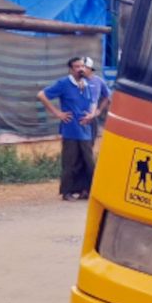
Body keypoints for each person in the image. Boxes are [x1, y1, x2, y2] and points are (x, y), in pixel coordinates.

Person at [37, 56, 102, 201]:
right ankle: (67, 192)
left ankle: (86, 190)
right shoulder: (64, 83)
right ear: (71, 69)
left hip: (86, 129)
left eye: (82, 66)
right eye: (77, 67)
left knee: (87, 161)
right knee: (70, 161)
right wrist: (57, 113)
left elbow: (92, 103)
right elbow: (41, 95)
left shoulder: (86, 84)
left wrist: (92, 114)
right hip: (71, 129)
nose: (80, 69)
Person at [82, 57, 111, 141]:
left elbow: (107, 96)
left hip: (92, 117)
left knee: (91, 141)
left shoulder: (99, 81)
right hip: (80, 116)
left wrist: (99, 110)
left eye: (85, 67)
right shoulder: (79, 80)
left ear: (90, 69)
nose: (82, 70)